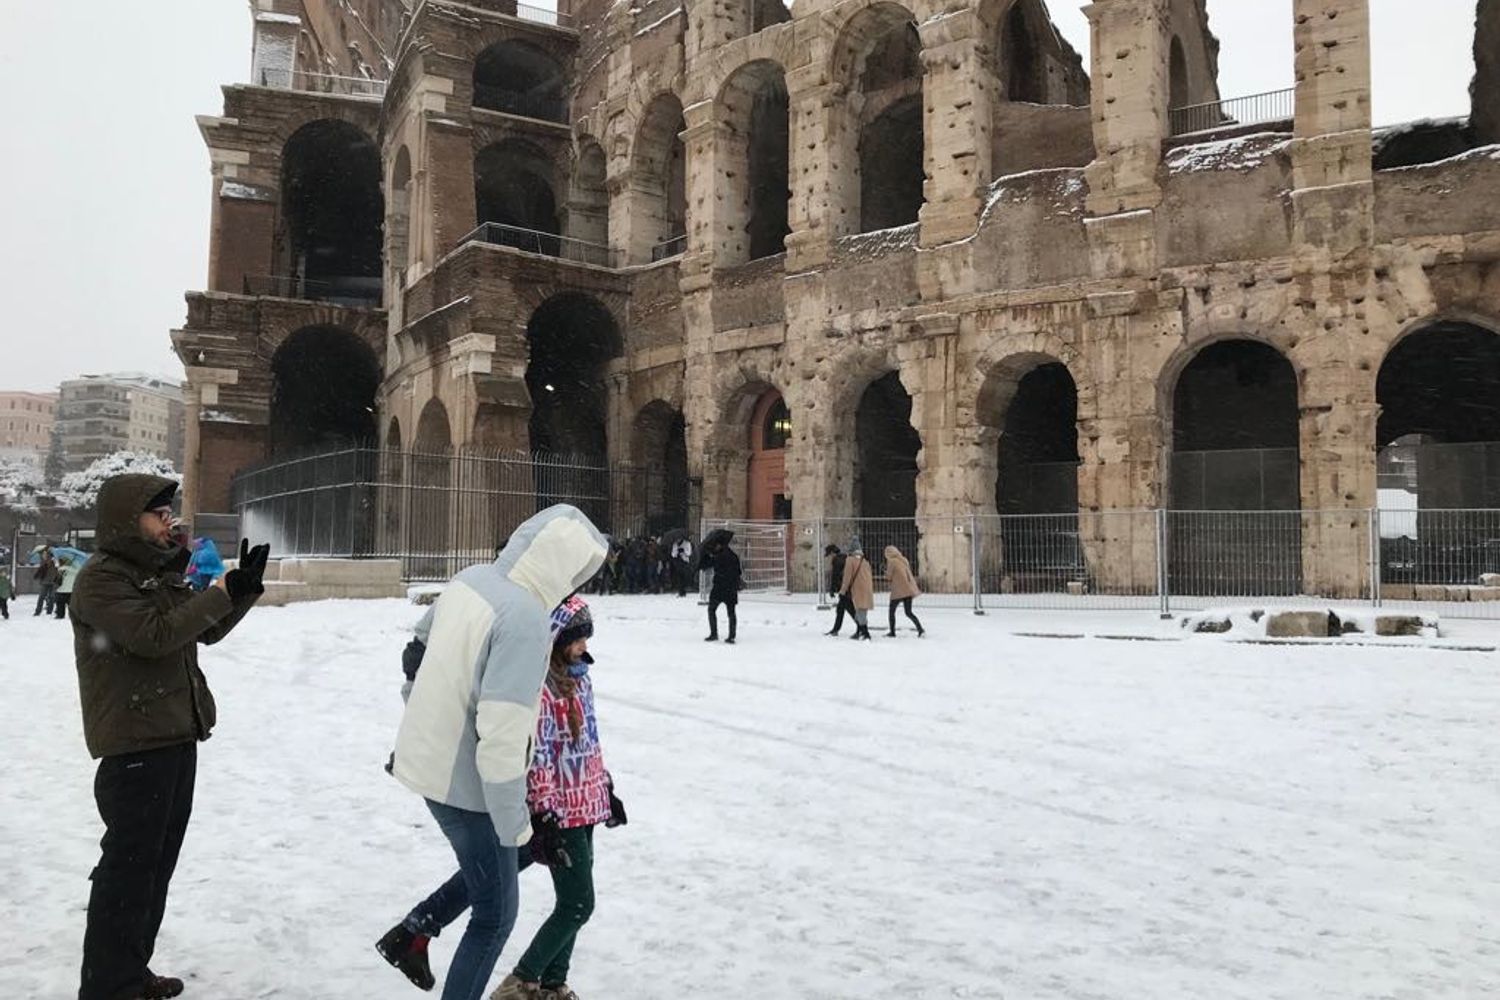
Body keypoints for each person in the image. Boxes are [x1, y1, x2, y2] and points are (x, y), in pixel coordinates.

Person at [377, 505, 608, 1000]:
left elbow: (416, 650)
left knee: (487, 897)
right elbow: (502, 738)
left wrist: (417, 714)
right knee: (495, 915)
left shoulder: (471, 579)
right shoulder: (525, 617)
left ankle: (414, 932)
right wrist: (518, 826)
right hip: (468, 787)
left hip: (429, 766)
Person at [71, 475, 269, 1000]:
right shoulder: (102, 580)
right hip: (134, 747)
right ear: (127, 519)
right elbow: (154, 637)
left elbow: (199, 629)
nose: (170, 522)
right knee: (126, 876)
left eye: (169, 513)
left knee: (155, 871)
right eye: (159, 514)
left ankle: (131, 972)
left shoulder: (156, 574)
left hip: (174, 737)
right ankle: (107, 987)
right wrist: (217, 594)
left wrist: (240, 593)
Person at [491, 596, 627, 1000]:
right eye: (577, 638)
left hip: (586, 805)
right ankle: (521, 980)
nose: (584, 645)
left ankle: (552, 984)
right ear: (557, 640)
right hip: (560, 813)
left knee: (573, 901)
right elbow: (541, 757)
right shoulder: (544, 692)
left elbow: (590, 744)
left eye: (586, 637)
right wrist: (543, 813)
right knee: (579, 903)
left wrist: (606, 787)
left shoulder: (581, 679)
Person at [700, 528, 742, 644]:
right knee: (731, 613)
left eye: (715, 545)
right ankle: (731, 636)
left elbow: (706, 565)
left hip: (720, 587)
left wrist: (706, 557)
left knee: (712, 609)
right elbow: (739, 572)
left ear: (719, 545)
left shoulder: (718, 556)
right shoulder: (733, 555)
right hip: (730, 588)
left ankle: (714, 633)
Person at [883, 544, 925, 638]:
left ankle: (892, 632)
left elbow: (889, 577)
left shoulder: (892, 561)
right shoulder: (903, 560)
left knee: (891, 612)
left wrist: (885, 573)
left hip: (898, 591)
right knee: (908, 612)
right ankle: (920, 629)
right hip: (908, 590)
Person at [839, 542, 875, 641]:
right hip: (867, 588)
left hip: (858, 589)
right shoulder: (865, 561)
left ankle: (865, 633)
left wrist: (843, 590)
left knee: (860, 611)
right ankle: (859, 631)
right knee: (862, 611)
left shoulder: (850, 560)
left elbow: (847, 577)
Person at [823, 544, 854, 636]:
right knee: (841, 609)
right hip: (848, 587)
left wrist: (832, 589)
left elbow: (835, 576)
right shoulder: (846, 557)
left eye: (829, 554)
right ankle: (835, 629)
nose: (829, 556)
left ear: (833, 552)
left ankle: (862, 627)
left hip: (843, 588)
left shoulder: (837, 560)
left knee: (850, 610)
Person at [54, 553, 83, 620]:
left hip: (70, 590)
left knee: (72, 606)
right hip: (60, 590)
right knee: (60, 605)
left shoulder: (75, 566)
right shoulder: (60, 567)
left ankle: (74, 616)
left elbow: (78, 571)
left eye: (65, 559)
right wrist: (60, 570)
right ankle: (59, 615)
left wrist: (66, 568)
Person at [33, 546, 59, 616]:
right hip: (46, 582)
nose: (46, 557)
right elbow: (40, 571)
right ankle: (39, 611)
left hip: (52, 581)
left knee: (50, 597)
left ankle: (48, 611)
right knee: (43, 597)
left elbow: (57, 571)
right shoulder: (44, 562)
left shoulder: (55, 562)